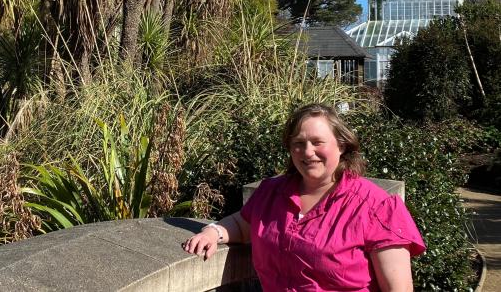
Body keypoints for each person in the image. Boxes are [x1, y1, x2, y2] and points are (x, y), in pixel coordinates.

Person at [182, 103, 425, 292]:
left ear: (341, 145)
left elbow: (398, 288)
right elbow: (243, 224)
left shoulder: (375, 206)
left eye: (318, 142)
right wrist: (213, 232)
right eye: (299, 143)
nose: (308, 152)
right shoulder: (272, 193)